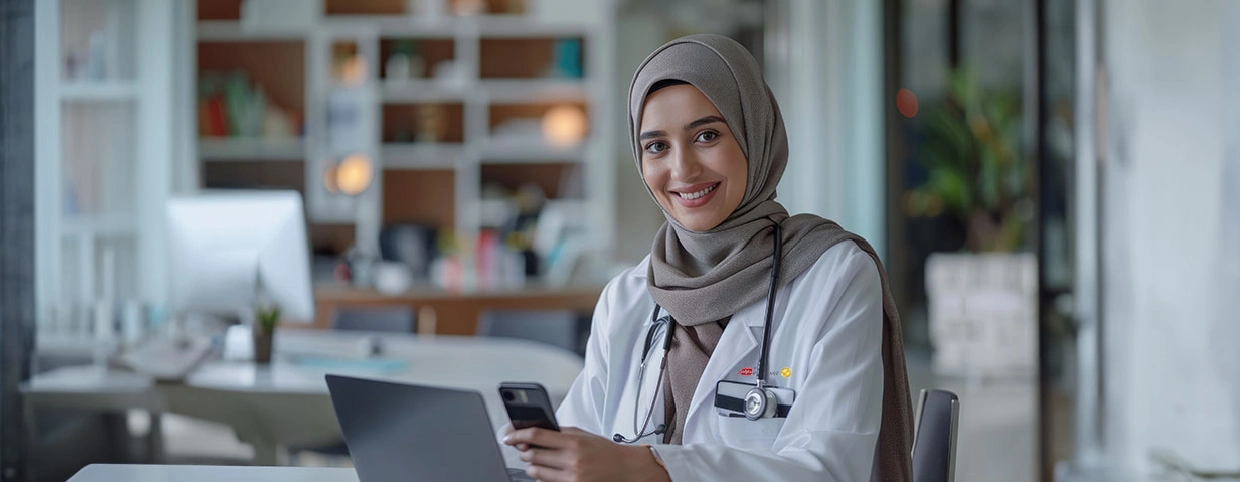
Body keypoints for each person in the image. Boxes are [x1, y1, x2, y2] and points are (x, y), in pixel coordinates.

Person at [503, 34, 913, 482]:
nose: (682, 170)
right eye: (657, 146)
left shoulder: (834, 275)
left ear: (754, 133)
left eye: (707, 135)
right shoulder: (627, 297)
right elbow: (580, 443)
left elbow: (831, 470)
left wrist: (650, 469)